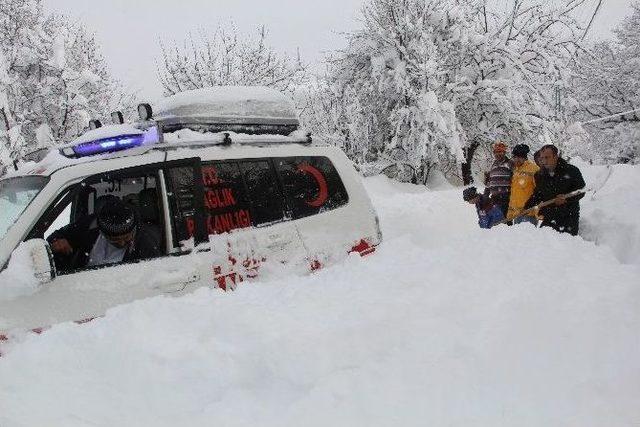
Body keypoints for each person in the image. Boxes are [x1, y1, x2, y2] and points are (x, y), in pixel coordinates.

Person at [49, 198, 162, 270]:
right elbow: (56, 236)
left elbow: (151, 277)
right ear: (102, 232)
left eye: (127, 238)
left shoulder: (146, 243)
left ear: (133, 230)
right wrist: (57, 243)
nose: (122, 243)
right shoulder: (90, 225)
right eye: (114, 240)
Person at [524, 145, 586, 236]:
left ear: (556, 157)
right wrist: (526, 207)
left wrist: (566, 198)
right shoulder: (539, 175)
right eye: (542, 158)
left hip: (568, 217)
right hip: (549, 217)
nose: (544, 161)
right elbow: (538, 193)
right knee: (545, 244)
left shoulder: (571, 171)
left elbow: (581, 190)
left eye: (547, 157)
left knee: (565, 247)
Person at [507, 144, 539, 225]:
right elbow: (513, 194)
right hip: (516, 215)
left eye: (520, 157)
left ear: (525, 157)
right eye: (515, 157)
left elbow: (539, 191)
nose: (517, 159)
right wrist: (510, 212)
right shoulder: (516, 171)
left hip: (529, 214)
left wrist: (536, 210)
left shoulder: (534, 169)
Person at [485, 141, 513, 217]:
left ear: (504, 152)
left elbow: (515, 180)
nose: (497, 154)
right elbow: (489, 182)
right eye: (495, 152)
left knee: (506, 222)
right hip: (494, 199)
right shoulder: (493, 165)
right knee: (496, 222)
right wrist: (486, 195)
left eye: (500, 152)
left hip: (506, 198)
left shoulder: (510, 163)